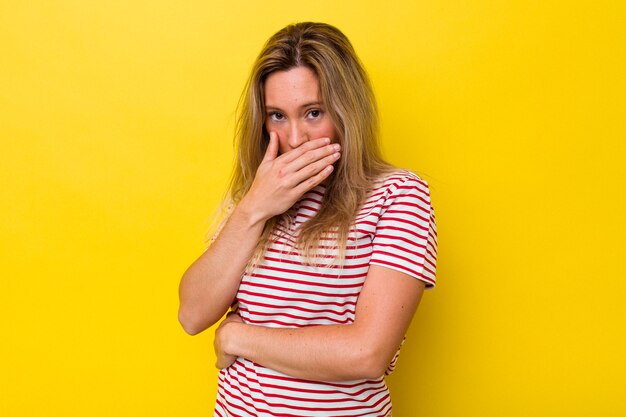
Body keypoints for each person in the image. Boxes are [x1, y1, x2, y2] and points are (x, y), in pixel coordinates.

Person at [178, 22, 438, 417]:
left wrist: (237, 335)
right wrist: (253, 208)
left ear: (347, 111)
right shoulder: (255, 196)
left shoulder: (398, 195)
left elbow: (367, 352)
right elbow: (193, 315)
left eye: (313, 113)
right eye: (277, 116)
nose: (295, 138)